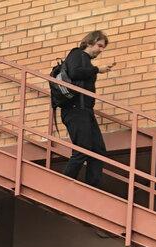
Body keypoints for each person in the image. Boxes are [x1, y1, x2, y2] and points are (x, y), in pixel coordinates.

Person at [60, 30, 115, 188]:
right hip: (75, 110)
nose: (101, 50)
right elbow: (74, 72)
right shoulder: (77, 54)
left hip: (85, 111)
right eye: (99, 45)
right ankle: (62, 185)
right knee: (82, 148)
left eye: (103, 47)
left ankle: (93, 187)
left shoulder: (87, 62)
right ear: (90, 42)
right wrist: (97, 70)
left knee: (98, 150)